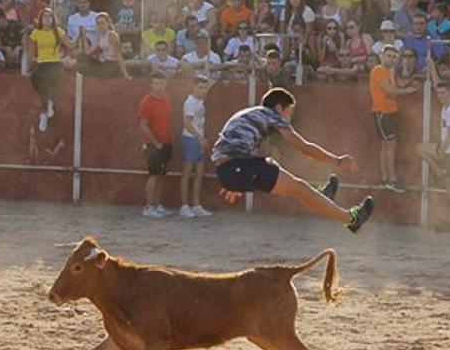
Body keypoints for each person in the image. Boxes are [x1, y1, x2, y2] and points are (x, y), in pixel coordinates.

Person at [212, 88, 374, 233]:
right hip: (236, 166)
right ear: (278, 108)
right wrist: (337, 160)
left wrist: (233, 180)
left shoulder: (250, 114)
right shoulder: (271, 115)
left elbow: (229, 149)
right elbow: (304, 147)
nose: (289, 117)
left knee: (275, 167)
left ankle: (319, 196)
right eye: (289, 112)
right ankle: (352, 219)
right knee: (301, 189)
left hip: (230, 168)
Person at [417, 58, 450, 230]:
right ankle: (439, 173)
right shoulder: (448, 104)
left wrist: (441, 151)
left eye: (444, 94)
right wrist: (432, 67)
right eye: (440, 94)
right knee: (420, 149)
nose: (441, 96)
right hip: (449, 149)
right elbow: (437, 85)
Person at [371, 45, 418, 192]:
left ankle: (387, 178)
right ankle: (390, 179)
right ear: (382, 56)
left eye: (393, 56)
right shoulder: (378, 70)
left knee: (388, 145)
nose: (391, 59)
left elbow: (392, 90)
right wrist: (407, 91)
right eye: (388, 56)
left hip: (388, 112)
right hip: (383, 112)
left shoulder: (388, 72)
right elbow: (389, 90)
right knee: (390, 145)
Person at [27, 7, 72, 132]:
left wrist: (81, 35)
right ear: (41, 19)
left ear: (53, 19)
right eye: (44, 17)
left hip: (55, 64)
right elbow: (31, 51)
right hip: (41, 63)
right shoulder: (36, 32)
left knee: (45, 84)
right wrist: (30, 65)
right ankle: (48, 104)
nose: (47, 20)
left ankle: (44, 112)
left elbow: (71, 45)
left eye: (49, 17)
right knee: (36, 81)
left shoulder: (59, 31)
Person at [138, 73, 174, 218]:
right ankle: (148, 207)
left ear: (166, 84)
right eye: (156, 83)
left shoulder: (167, 98)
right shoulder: (146, 102)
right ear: (151, 84)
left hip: (166, 142)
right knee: (153, 175)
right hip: (152, 144)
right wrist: (156, 143)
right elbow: (143, 126)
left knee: (162, 175)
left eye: (161, 83)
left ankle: (157, 205)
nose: (159, 87)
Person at [179, 75, 213, 218]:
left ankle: (196, 204)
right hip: (191, 139)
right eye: (200, 87)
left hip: (198, 139)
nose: (203, 90)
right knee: (188, 172)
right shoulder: (191, 102)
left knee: (199, 172)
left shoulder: (199, 101)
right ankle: (185, 205)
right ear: (194, 87)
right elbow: (186, 123)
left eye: (205, 88)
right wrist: (200, 138)